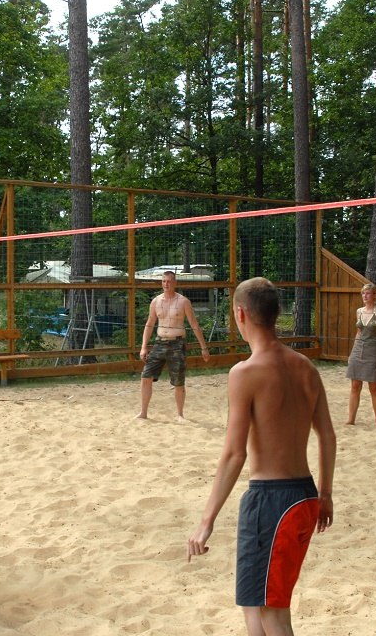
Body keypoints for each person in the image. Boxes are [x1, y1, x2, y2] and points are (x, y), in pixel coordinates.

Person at [188, 278, 336, 636]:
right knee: (254, 602)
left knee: (273, 612)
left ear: (240, 314)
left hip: (272, 501)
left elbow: (234, 453)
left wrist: (206, 519)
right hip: (304, 496)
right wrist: (325, 495)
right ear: (275, 315)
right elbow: (327, 435)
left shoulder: (245, 373)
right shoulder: (306, 368)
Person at [135, 271, 210, 420]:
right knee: (146, 376)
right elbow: (149, 324)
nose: (166, 284)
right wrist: (143, 346)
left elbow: (194, 324)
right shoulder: (156, 301)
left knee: (178, 381)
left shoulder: (183, 302)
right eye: (163, 281)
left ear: (175, 283)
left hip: (177, 343)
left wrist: (204, 347)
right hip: (159, 342)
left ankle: (180, 414)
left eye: (169, 281)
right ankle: (143, 412)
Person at [345, 282, 376, 425]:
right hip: (358, 351)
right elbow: (358, 333)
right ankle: (351, 419)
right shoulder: (359, 311)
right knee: (355, 385)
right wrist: (352, 353)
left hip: (373, 352)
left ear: (374, 295)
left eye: (367, 293)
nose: (365, 296)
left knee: (373, 387)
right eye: (363, 293)